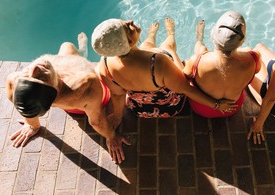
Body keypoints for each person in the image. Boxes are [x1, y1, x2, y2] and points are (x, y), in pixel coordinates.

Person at [5, 33, 129, 164]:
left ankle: (82, 51)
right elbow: (97, 121)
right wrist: (111, 136)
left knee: (67, 45)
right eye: (39, 78)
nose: (34, 69)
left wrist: (32, 126)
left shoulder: (14, 80)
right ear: (54, 88)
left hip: (67, 69)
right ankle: (86, 56)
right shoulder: (84, 85)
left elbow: (25, 104)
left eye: (27, 75)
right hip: (96, 95)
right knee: (110, 67)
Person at [93, 17, 237, 124]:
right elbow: (186, 89)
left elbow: (117, 96)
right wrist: (216, 105)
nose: (130, 21)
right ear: (129, 42)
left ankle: (151, 35)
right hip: (169, 108)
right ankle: (171, 35)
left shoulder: (104, 65)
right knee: (168, 47)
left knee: (147, 44)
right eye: (127, 26)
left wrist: (118, 117)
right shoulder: (159, 63)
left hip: (139, 109)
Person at [182, 10, 261, 118]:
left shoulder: (196, 61)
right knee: (247, 50)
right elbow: (256, 71)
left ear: (212, 35)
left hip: (203, 108)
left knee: (200, 50)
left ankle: (199, 38)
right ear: (242, 41)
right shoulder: (254, 57)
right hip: (232, 108)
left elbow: (183, 83)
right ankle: (201, 39)